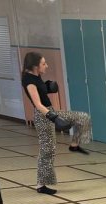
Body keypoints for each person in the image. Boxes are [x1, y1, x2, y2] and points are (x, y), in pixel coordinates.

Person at [21, 51, 93, 195]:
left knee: (82, 117)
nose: (46, 66)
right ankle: (41, 185)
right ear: (35, 66)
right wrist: (53, 117)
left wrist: (46, 88)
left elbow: (41, 93)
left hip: (51, 111)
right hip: (43, 116)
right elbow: (37, 104)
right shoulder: (29, 80)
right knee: (47, 150)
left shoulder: (36, 75)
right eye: (43, 64)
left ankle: (74, 145)